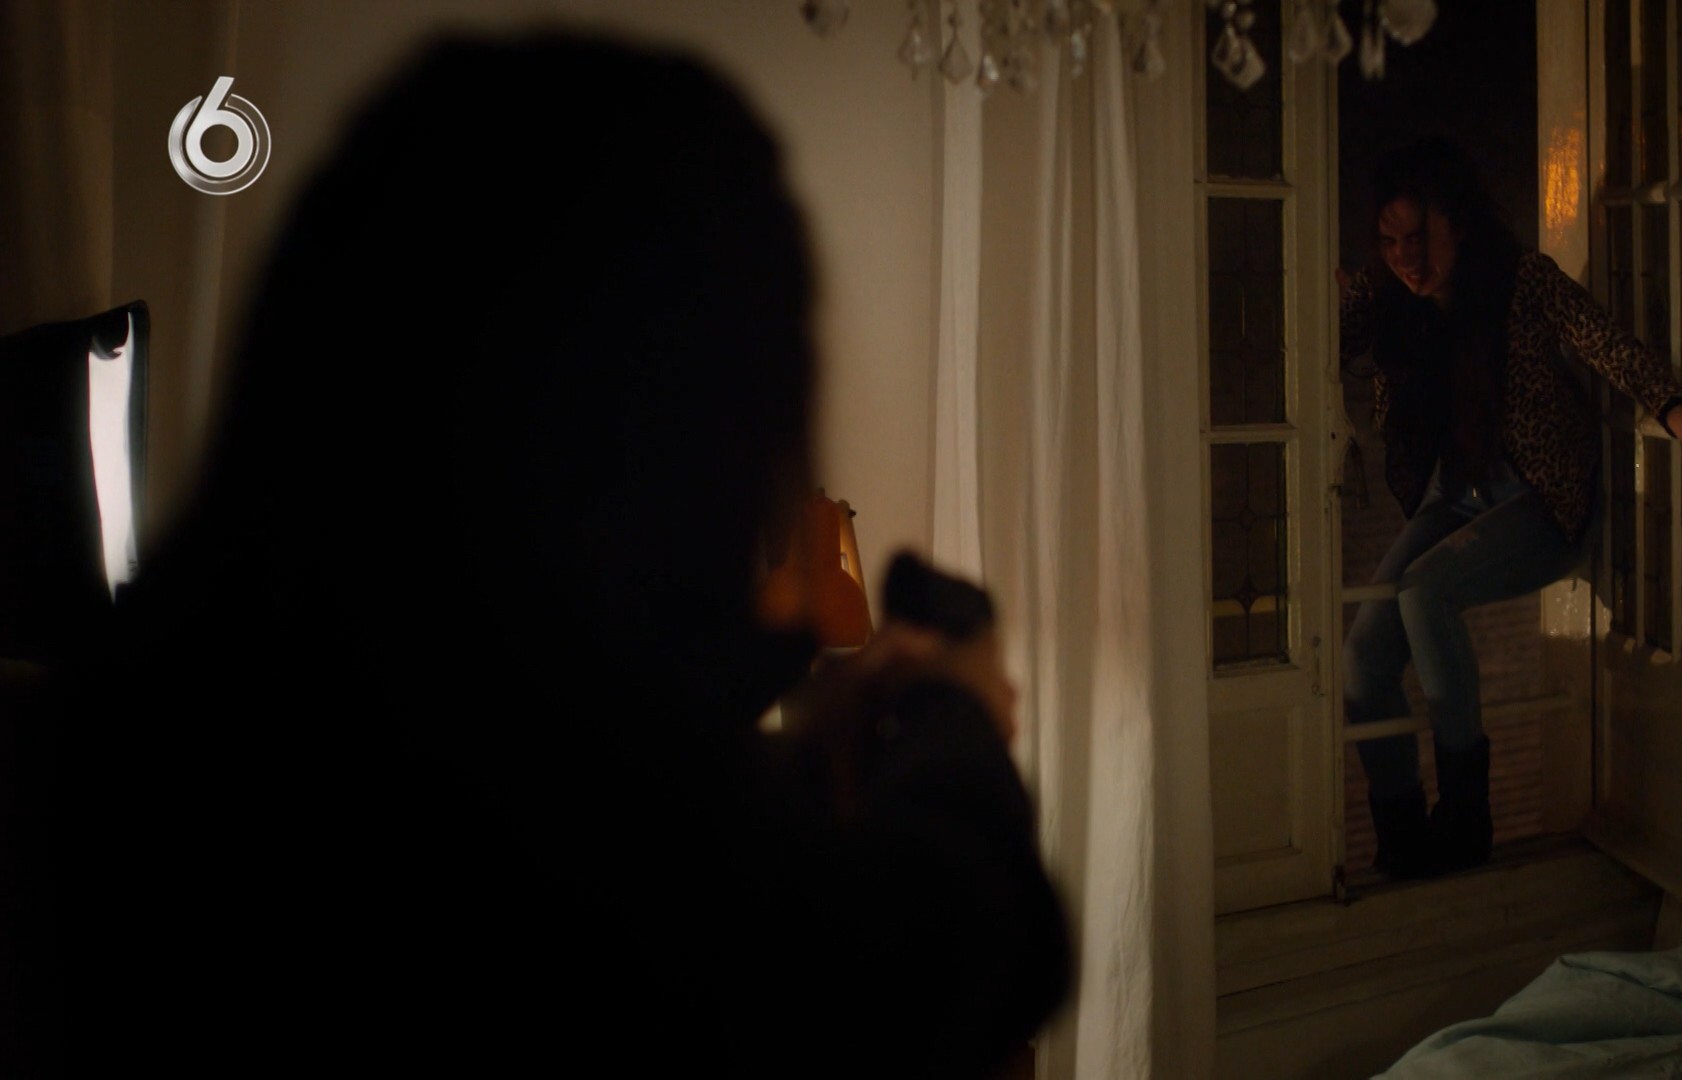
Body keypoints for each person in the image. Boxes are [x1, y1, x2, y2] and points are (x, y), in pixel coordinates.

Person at [30, 34, 1069, 1078]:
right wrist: (955, 706)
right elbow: (968, 943)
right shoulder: (598, 824)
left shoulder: (137, 739)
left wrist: (808, 748)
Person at [1337, 137, 1682, 880]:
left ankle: (1465, 820)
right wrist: (1325, 301)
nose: (1405, 258)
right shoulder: (1387, 296)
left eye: (1418, 237)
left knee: (1423, 592)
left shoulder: (1521, 280)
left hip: (1540, 500)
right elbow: (1316, 344)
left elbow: (1608, 344)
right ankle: (1402, 839)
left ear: (1457, 222)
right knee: (1364, 654)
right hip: (1452, 498)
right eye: (1390, 242)